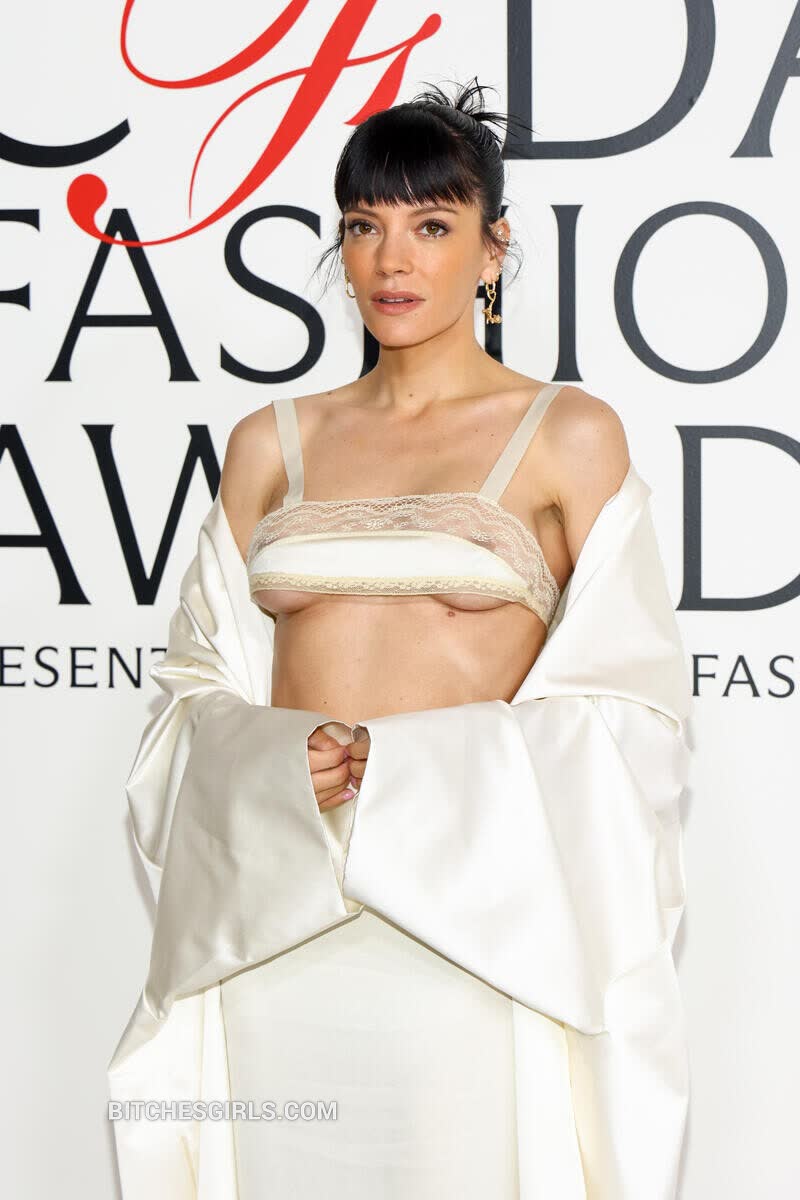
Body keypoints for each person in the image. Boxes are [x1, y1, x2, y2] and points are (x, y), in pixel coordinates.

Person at [108, 79, 693, 1200]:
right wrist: (269, 765)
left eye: (431, 225)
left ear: (492, 249)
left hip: (470, 929)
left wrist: (417, 769)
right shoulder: (270, 441)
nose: (391, 260)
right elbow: (192, 688)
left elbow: (630, 712)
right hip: (276, 920)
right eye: (363, 226)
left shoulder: (567, 434)